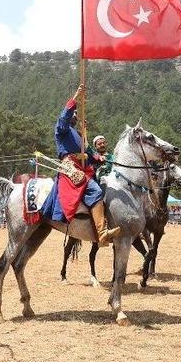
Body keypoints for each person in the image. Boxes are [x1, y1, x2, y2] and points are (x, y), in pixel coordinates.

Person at [40, 85, 120, 246]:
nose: (75, 115)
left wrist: (98, 159)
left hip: (83, 167)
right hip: (71, 168)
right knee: (95, 190)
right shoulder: (61, 129)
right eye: (73, 113)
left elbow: (89, 153)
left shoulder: (77, 134)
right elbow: (64, 117)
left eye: (76, 114)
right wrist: (76, 96)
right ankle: (102, 233)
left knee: (102, 187)